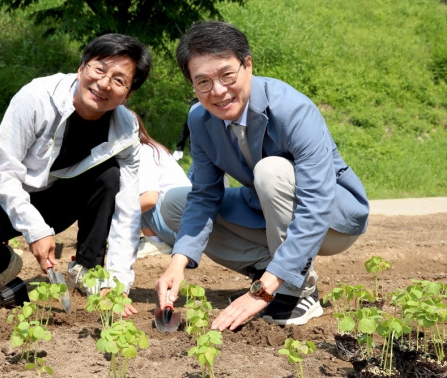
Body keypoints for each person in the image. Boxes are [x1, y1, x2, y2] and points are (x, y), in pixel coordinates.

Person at [155, 21, 369, 330]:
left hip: (332, 220)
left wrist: (265, 292)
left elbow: (316, 204)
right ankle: (273, 270)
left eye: (227, 75)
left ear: (248, 65)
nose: (218, 91)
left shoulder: (293, 110)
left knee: (271, 170)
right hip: (265, 209)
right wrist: (177, 263)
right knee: (175, 202)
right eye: (203, 82)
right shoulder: (201, 120)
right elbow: (204, 196)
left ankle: (295, 290)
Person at [0, 33, 152, 317]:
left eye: (119, 80)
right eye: (99, 69)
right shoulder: (37, 97)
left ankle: (87, 270)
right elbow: (3, 171)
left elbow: (127, 208)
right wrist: (36, 230)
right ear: (82, 67)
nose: (104, 83)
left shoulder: (125, 129)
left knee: (110, 175)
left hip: (58, 202)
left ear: (128, 94)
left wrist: (117, 281)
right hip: (2, 194)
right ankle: (3, 266)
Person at [135, 117, 191, 258]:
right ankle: (156, 239)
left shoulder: (144, 152)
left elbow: (150, 199)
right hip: (185, 226)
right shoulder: (150, 148)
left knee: (132, 197)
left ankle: (156, 242)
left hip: (181, 231)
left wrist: (112, 218)